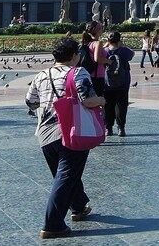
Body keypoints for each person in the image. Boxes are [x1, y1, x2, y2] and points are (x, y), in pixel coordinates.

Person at [25, 37, 106, 239]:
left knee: (66, 174)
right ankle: (52, 224)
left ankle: (78, 206)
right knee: (65, 177)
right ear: (74, 56)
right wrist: (102, 100)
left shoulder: (41, 75)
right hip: (70, 132)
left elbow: (30, 101)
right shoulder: (78, 72)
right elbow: (87, 100)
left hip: (45, 135)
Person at [103, 31, 134, 137]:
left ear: (108, 40)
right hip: (123, 83)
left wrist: (105, 45)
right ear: (119, 40)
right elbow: (132, 54)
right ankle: (121, 128)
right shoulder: (124, 51)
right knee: (122, 106)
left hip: (107, 83)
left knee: (107, 106)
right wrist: (122, 45)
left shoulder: (104, 51)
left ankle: (108, 128)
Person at [80, 21, 108, 97]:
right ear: (97, 30)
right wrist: (109, 61)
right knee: (98, 100)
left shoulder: (88, 42)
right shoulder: (98, 43)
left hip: (88, 74)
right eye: (101, 28)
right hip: (97, 76)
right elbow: (97, 59)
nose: (102, 30)